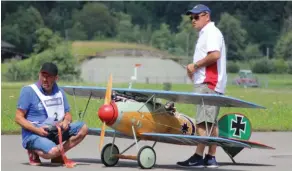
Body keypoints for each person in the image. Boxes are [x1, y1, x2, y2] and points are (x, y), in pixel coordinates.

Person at [177, 4, 227, 168]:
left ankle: (198, 157)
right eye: (191, 17)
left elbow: (215, 55)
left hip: (209, 83)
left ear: (206, 16)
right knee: (211, 123)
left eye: (196, 17)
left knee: (202, 122)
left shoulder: (211, 32)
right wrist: (194, 71)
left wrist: (195, 66)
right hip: (210, 83)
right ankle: (210, 158)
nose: (193, 20)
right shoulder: (207, 33)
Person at [15, 62, 88, 166]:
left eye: (49, 77)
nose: (45, 80)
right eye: (43, 76)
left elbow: (68, 114)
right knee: (53, 151)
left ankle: (58, 154)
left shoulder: (60, 92)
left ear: (56, 78)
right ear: (39, 75)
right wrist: (37, 130)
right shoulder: (28, 91)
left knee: (83, 128)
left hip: (54, 132)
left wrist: (66, 121)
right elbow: (18, 118)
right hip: (35, 134)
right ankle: (34, 150)